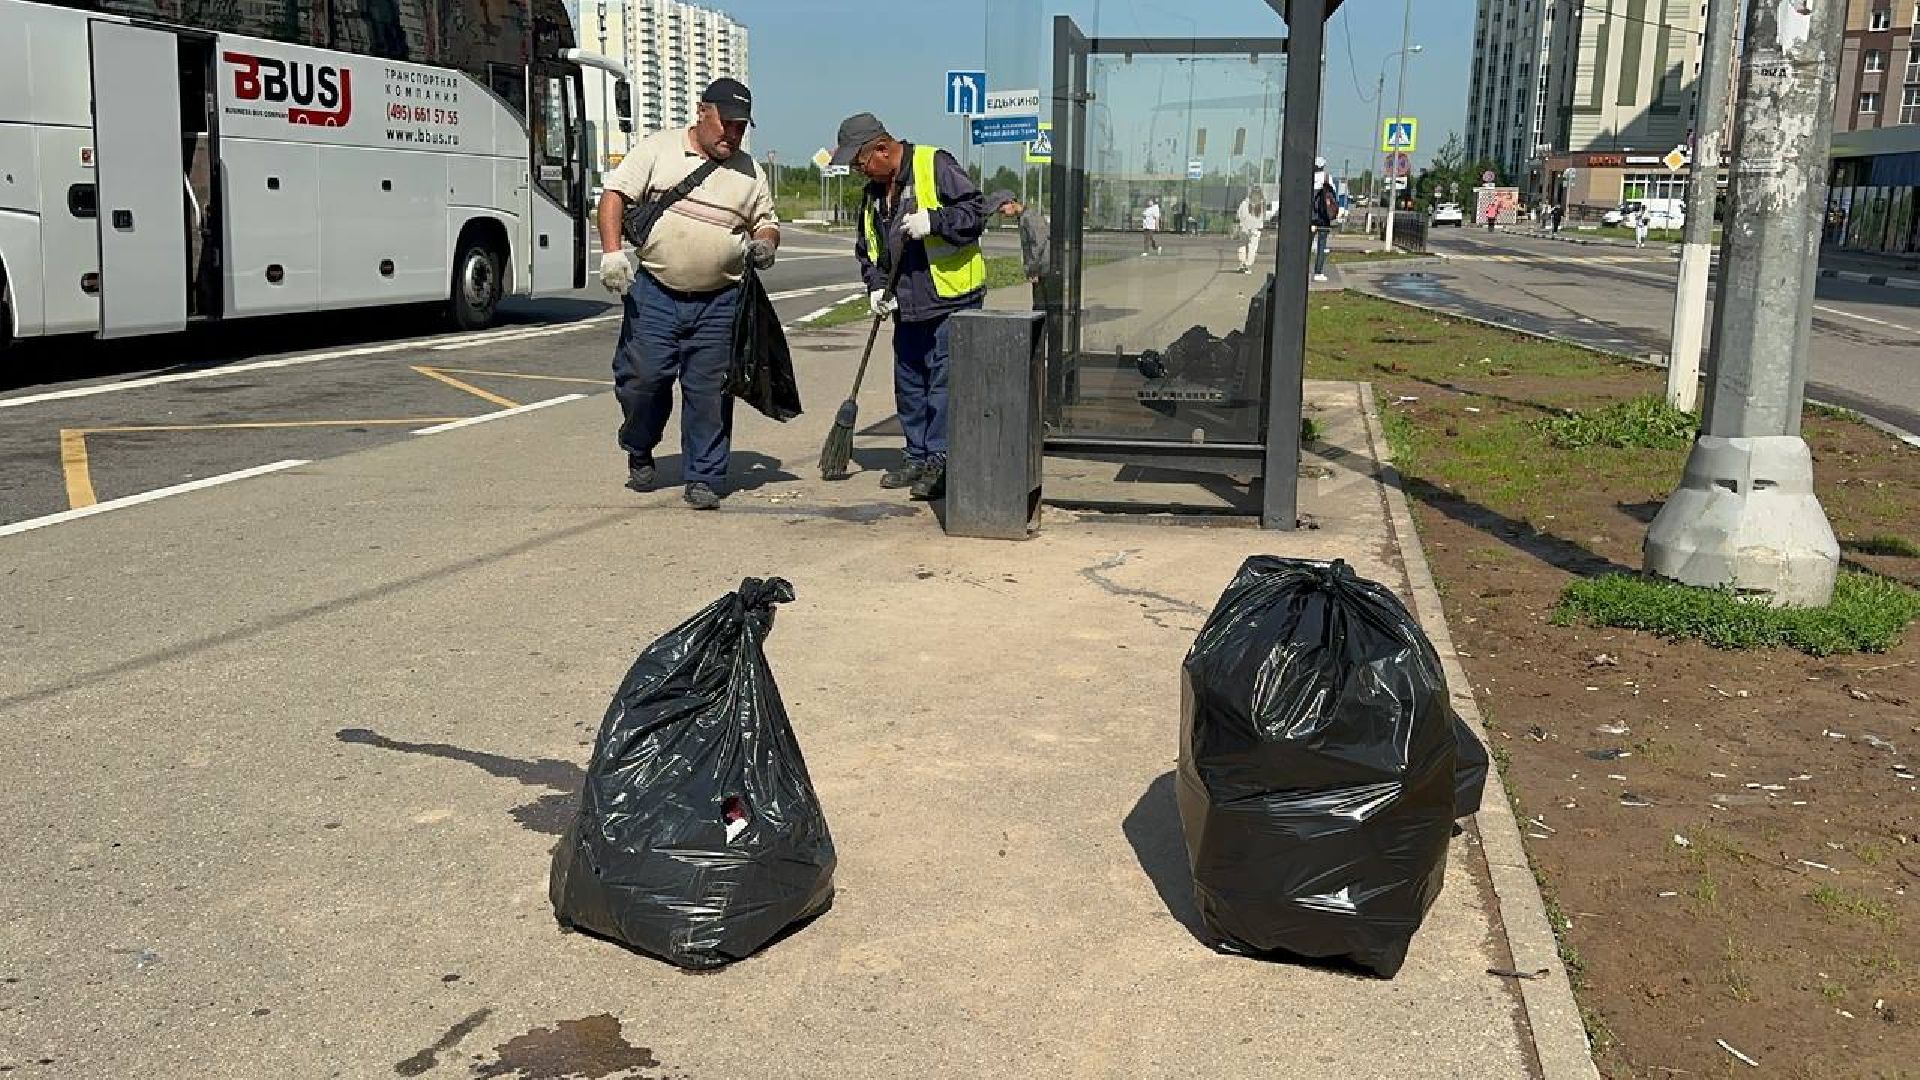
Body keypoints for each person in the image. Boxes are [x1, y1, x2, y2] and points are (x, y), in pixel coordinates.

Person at [597, 78, 778, 510]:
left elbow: (766, 222)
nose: (732, 135)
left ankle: (705, 476)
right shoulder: (658, 150)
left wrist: (766, 243)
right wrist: (611, 254)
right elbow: (614, 197)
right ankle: (639, 445)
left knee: (711, 392)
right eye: (727, 124)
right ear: (702, 112)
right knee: (643, 381)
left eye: (741, 128)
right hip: (656, 294)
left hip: (721, 300)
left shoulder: (750, 172)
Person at [831, 112, 988, 502]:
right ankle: (916, 455)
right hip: (908, 304)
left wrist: (934, 221)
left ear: (882, 149)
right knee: (910, 386)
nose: (857, 171)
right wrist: (876, 287)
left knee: (943, 386)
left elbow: (976, 211)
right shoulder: (873, 193)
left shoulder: (934, 164)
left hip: (951, 300)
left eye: (860, 162)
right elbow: (868, 250)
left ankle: (941, 459)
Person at [988, 190, 1050, 310]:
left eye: (1003, 210)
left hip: (1044, 268)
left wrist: (1032, 268)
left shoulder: (1029, 217)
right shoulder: (1024, 217)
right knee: (1039, 306)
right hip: (1041, 268)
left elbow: (1039, 242)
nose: (1003, 215)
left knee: (1041, 307)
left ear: (1011, 203)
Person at [1234, 185, 1270, 274]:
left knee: (1242, 245)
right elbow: (1264, 217)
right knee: (1252, 248)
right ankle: (1247, 265)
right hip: (1256, 229)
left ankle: (1242, 263)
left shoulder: (1244, 203)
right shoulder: (1262, 204)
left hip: (1244, 227)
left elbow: (1238, 215)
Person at [1311, 171, 1338, 283]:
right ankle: (1318, 272)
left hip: (1311, 219)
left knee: (1305, 247)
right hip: (1324, 220)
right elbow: (1334, 199)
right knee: (1321, 247)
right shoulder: (1328, 179)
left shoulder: (1309, 176)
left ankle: (1301, 270)